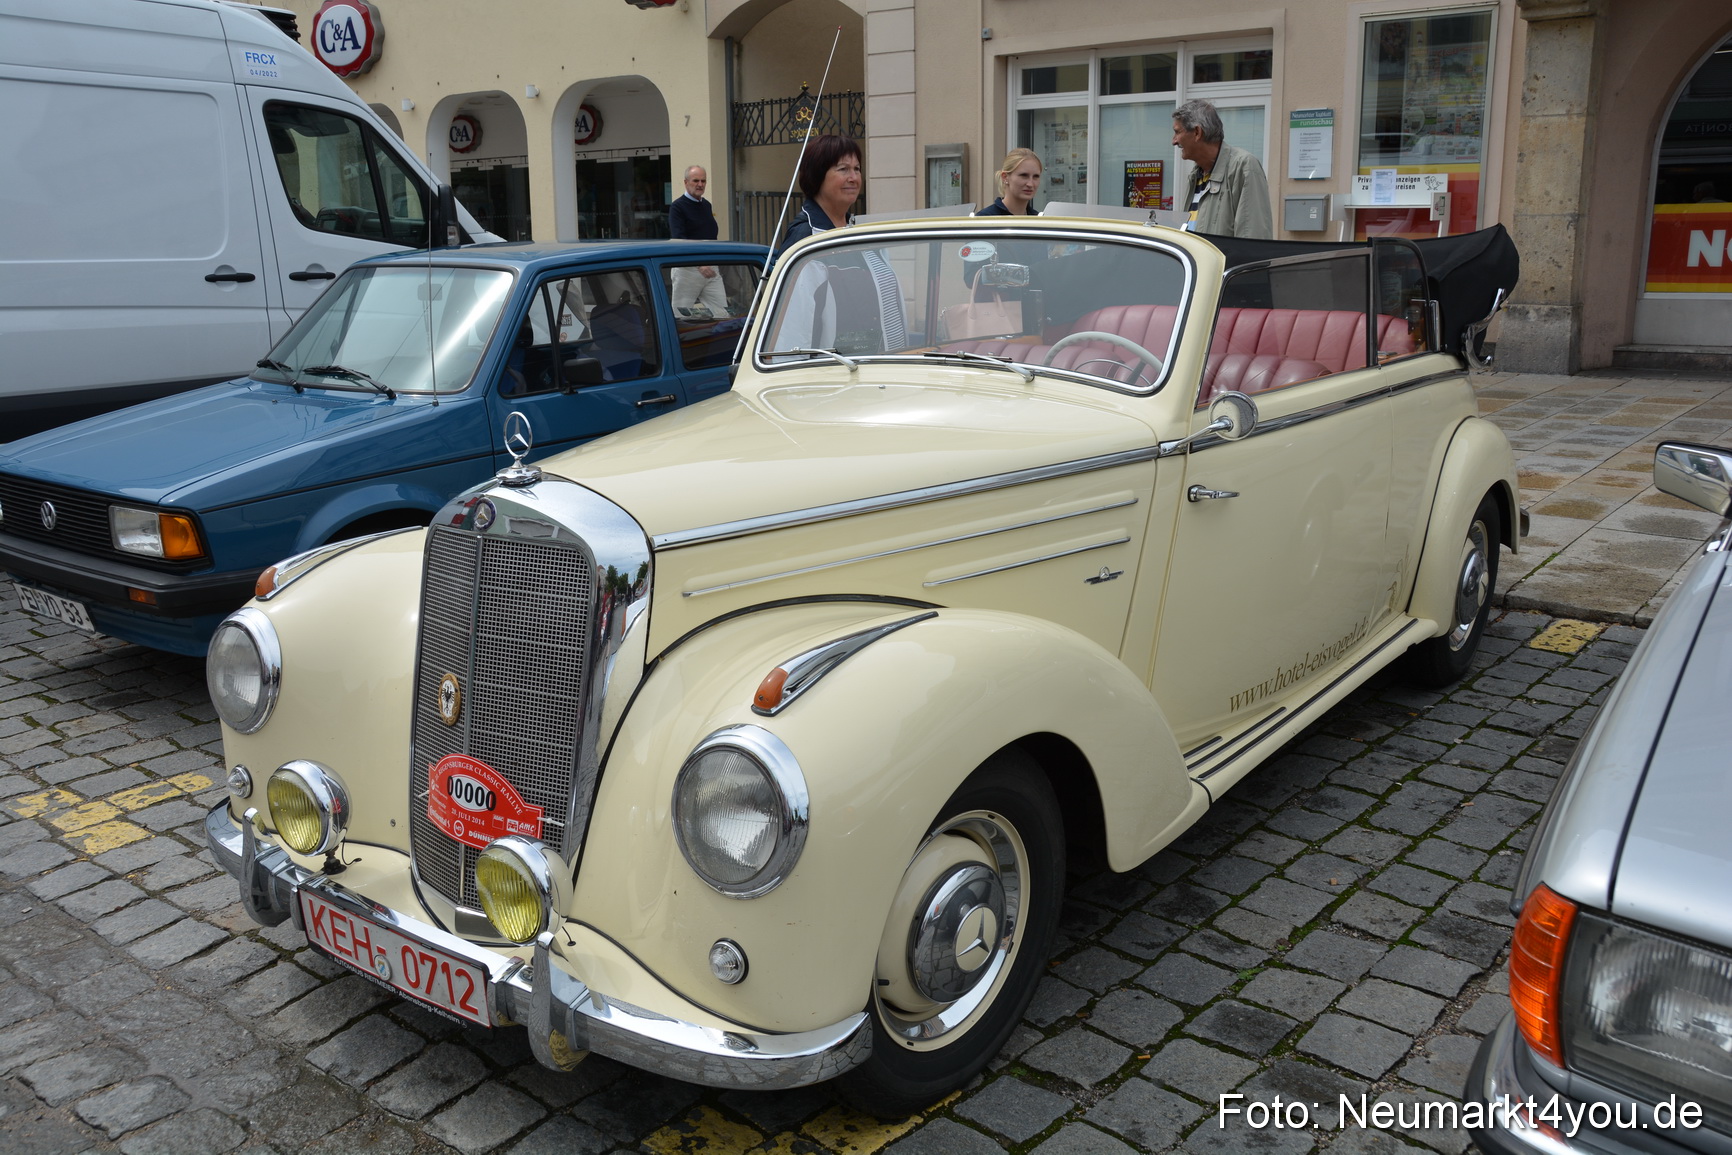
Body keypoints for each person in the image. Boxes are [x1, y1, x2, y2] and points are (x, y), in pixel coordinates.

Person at [770, 136, 906, 353]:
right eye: (843, 169)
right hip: (832, 377)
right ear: (817, 175)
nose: (853, 177)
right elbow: (791, 332)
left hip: (879, 371)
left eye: (857, 169)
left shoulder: (863, 236)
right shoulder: (806, 239)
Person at [1172, 99, 1273, 239]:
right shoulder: (1195, 176)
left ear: (1197, 132)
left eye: (1177, 132)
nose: (1174, 141)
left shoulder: (1243, 166)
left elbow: (1253, 240)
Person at [668, 165, 729, 317]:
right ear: (686, 182)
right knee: (681, 315)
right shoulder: (677, 207)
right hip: (688, 268)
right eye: (696, 180)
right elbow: (679, 239)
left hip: (710, 268)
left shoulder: (706, 205)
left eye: (703, 181)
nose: (700, 184)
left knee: (722, 314)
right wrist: (699, 264)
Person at [977, 148, 1042, 216]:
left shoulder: (1040, 220)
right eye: (1024, 175)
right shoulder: (985, 219)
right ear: (1005, 177)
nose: (1030, 184)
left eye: (1036, 176)